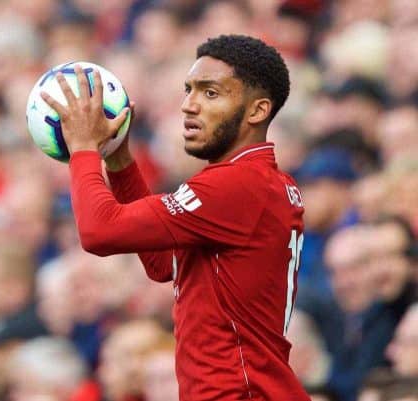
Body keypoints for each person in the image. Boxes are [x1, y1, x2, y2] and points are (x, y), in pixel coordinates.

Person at [42, 35, 308, 401]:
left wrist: (84, 149)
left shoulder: (238, 185)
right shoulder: (256, 182)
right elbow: (162, 263)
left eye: (210, 93)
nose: (189, 105)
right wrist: (117, 159)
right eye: (188, 90)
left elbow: (98, 232)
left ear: (257, 111)